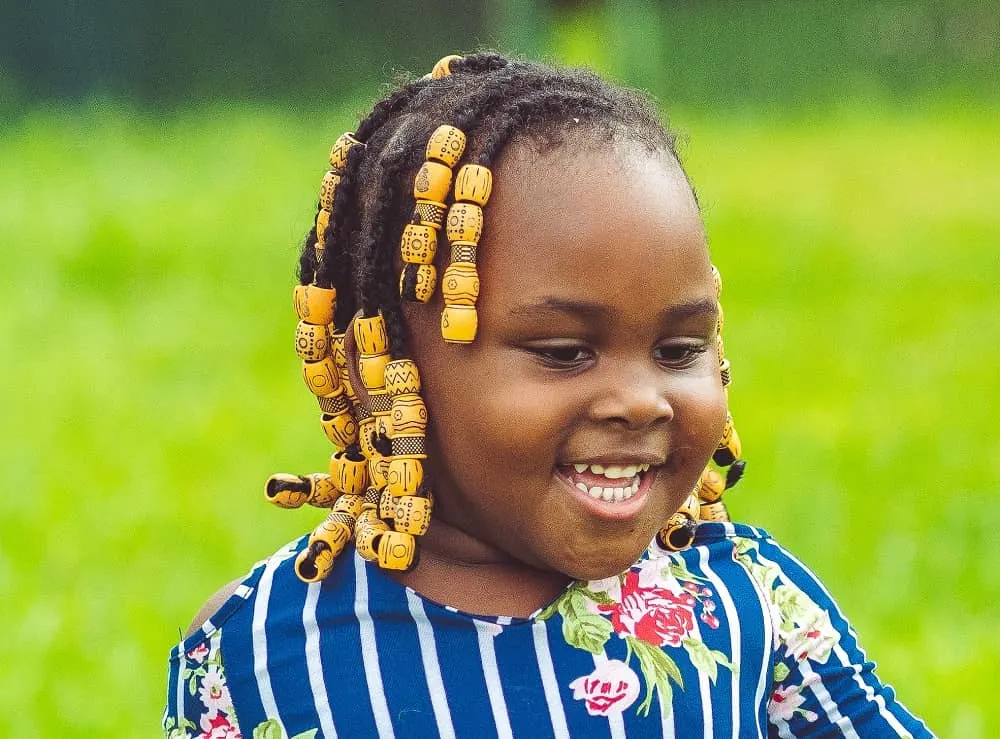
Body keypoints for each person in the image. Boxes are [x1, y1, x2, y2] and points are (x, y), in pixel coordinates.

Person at [162, 53, 933, 738]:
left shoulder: (748, 605)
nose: (639, 400)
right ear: (385, 369)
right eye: (565, 352)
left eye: (678, 349)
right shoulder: (266, 651)